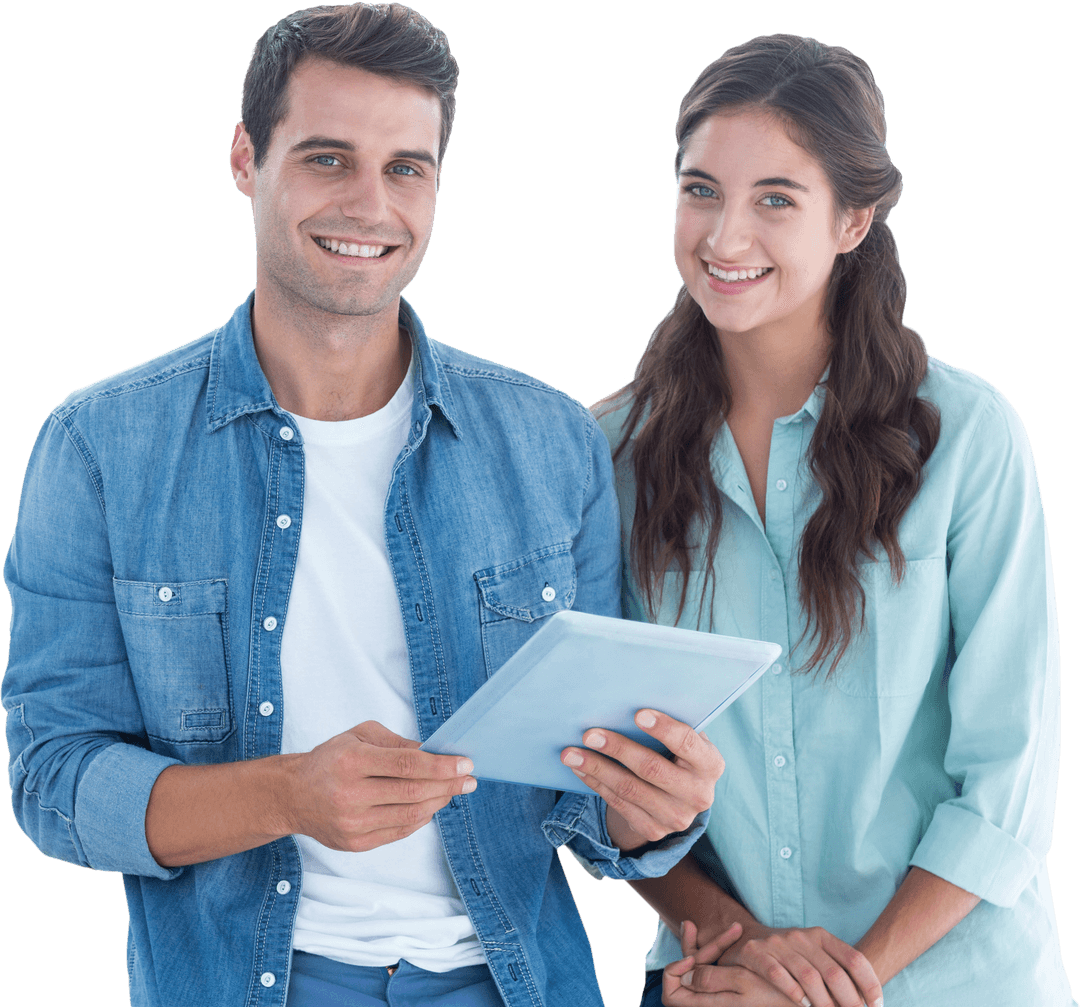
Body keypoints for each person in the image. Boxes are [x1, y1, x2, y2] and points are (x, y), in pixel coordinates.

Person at [1, 5, 724, 1007]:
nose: (370, 205)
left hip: (511, 982)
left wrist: (652, 811)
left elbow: (586, 800)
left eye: (406, 168)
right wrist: (286, 794)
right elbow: (50, 779)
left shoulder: (551, 440)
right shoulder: (99, 445)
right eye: (328, 158)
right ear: (246, 159)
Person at [590, 34, 1075, 1007]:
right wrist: (751, 953)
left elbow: (1008, 781)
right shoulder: (607, 454)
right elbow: (601, 779)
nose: (725, 236)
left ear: (853, 220)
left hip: (956, 984)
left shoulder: (966, 437)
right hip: (720, 980)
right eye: (699, 190)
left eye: (776, 199)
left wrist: (833, 988)